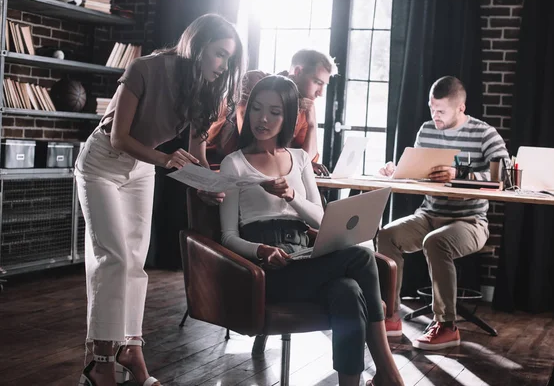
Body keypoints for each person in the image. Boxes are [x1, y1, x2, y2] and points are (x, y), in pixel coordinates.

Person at [75, 14, 243, 386]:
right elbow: (119, 138)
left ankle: (131, 351)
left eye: (229, 60)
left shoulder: (207, 94)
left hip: (141, 168)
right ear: (198, 48)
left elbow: (196, 156)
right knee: (115, 258)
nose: (223, 66)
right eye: (219, 55)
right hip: (101, 163)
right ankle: (100, 361)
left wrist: (207, 183)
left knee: (135, 263)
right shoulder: (143, 69)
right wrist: (167, 160)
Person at [219, 75, 404, 386]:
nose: (263, 119)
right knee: (360, 258)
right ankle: (386, 369)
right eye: (257, 109)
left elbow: (321, 219)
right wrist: (261, 251)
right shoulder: (233, 164)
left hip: (306, 256)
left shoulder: (301, 159)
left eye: (275, 112)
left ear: (288, 117)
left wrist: (292, 197)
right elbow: (227, 236)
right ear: (247, 111)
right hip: (268, 271)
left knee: (348, 290)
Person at [377, 76, 509, 350]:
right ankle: (390, 315)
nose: (434, 116)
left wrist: (460, 174)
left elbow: (505, 176)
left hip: (471, 221)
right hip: (428, 214)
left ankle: (447, 325)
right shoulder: (426, 130)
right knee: (387, 235)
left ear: (461, 108)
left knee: (436, 241)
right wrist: (397, 171)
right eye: (431, 108)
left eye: (441, 111)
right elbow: (417, 172)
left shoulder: (485, 133)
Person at [202, 48, 336, 176]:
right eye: (317, 82)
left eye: (324, 85)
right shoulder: (257, 83)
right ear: (298, 72)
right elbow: (252, 139)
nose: (321, 93)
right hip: (219, 167)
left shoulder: (303, 106)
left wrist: (312, 124)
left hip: (265, 172)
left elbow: (304, 160)